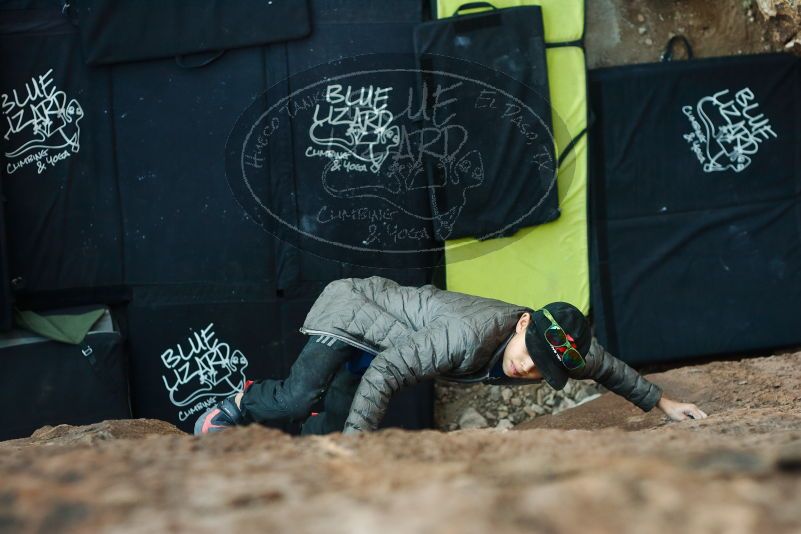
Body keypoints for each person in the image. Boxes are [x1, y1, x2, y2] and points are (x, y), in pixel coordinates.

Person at [195, 276, 707, 435]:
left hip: (391, 346)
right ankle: (235, 406)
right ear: (523, 322)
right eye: (530, 355)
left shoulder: (563, 349)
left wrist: (663, 404)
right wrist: (358, 451)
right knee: (298, 397)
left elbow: (608, 367)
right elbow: (391, 371)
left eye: (543, 369)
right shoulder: (468, 334)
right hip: (355, 318)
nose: (528, 368)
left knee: (323, 429)